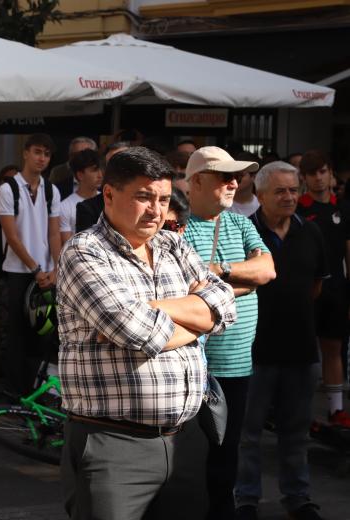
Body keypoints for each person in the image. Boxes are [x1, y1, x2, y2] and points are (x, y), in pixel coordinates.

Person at [58, 147, 237, 520]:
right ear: (108, 194)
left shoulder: (172, 244)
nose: (156, 210)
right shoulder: (85, 251)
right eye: (143, 197)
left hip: (185, 440)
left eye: (163, 199)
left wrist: (153, 311)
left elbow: (224, 304)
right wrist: (193, 316)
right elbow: (134, 331)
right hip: (113, 445)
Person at [182, 146, 276, 520]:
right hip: (194, 366)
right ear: (198, 181)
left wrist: (217, 271)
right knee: (191, 458)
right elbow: (184, 289)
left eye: (237, 176)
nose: (235, 183)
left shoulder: (240, 222)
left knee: (227, 454)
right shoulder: (177, 229)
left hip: (237, 367)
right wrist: (241, 279)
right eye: (225, 176)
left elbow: (267, 270)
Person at [236, 161, 327, 520]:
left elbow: (316, 286)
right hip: (252, 351)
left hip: (301, 349)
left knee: (296, 432)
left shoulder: (312, 233)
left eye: (293, 189)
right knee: (248, 433)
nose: (289, 197)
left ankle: (298, 498)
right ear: (260, 195)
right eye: (280, 191)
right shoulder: (244, 232)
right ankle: (245, 499)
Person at [0, 133, 61, 394]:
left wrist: (56, 268)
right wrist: (35, 268)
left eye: (46, 153)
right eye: (37, 152)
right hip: (19, 272)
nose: (41, 158)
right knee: (17, 334)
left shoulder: (50, 189)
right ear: (25, 153)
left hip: (46, 273)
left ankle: (37, 391)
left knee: (43, 334)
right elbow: (11, 236)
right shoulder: (8, 188)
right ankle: (15, 393)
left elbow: (54, 233)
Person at [296, 150, 350, 427]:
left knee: (334, 349)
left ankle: (336, 410)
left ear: (330, 174)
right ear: (304, 178)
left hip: (337, 291)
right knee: (305, 354)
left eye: (323, 172)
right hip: (306, 291)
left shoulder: (343, 207)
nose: (319, 178)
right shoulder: (298, 209)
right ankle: (304, 414)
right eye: (313, 173)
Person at [59, 148, 102, 244]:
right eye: (94, 170)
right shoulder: (65, 207)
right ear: (80, 175)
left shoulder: (108, 200)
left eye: (100, 169)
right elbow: (69, 245)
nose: (100, 175)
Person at [229, 151, 262, 217]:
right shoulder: (221, 204)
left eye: (240, 175)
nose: (234, 179)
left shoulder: (261, 207)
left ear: (254, 177)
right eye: (232, 175)